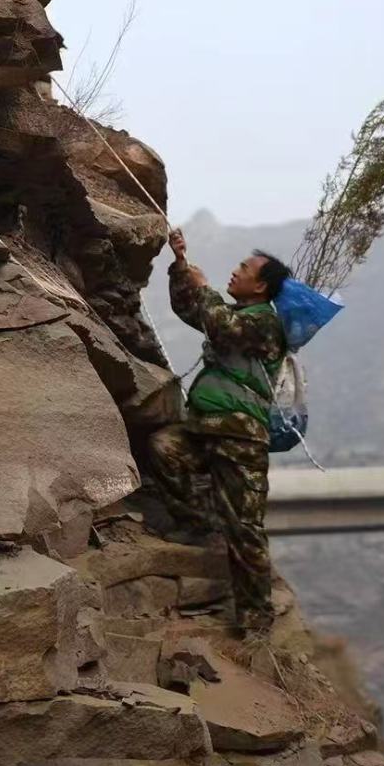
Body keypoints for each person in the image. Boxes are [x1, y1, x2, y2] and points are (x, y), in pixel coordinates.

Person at [149, 228, 290, 635]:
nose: (235, 271)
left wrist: (205, 287)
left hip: (241, 438)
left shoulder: (265, 324)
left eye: (243, 269)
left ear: (260, 286)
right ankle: (196, 523)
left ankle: (255, 621)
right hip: (204, 429)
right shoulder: (236, 315)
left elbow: (220, 324)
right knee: (164, 448)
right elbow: (191, 311)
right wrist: (179, 265)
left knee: (245, 528)